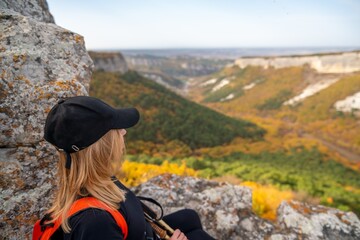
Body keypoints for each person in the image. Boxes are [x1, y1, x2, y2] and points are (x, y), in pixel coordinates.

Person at [38, 96, 215, 240]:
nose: (124, 132)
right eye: (116, 129)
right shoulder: (95, 223)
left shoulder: (97, 180)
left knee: (190, 218)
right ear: (101, 146)